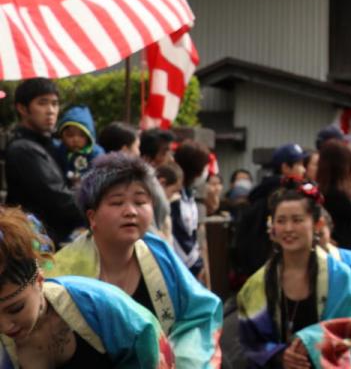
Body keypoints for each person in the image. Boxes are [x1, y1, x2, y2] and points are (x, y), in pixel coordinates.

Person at [48, 153, 223, 368]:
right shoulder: (62, 270)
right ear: (92, 217)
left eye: (140, 201)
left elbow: (200, 315)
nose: (130, 211)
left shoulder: (159, 253)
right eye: (117, 202)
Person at [0, 207, 173, 368]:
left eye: (15, 309)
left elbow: (148, 345)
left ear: (39, 280)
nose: (5, 326)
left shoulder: (100, 303)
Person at [236, 182, 351, 368]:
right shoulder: (258, 283)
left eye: (297, 220)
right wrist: (278, 355)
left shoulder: (339, 276)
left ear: (317, 224)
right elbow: (249, 339)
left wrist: (311, 341)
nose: (288, 228)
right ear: (273, 227)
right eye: (281, 221)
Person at [3, 77, 86, 245]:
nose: (51, 110)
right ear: (22, 108)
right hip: (38, 244)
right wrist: (96, 209)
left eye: (55, 104)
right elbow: (58, 200)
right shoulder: (23, 150)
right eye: (42, 103)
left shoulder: (51, 145)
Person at [233, 143, 308, 282]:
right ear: (285, 167)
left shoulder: (263, 192)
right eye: (299, 164)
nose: (304, 169)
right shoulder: (280, 196)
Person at [171, 140, 210, 279]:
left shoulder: (189, 194)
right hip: (181, 269)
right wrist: (197, 265)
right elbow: (179, 237)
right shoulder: (174, 198)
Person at [56, 104, 105, 187]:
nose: (76, 139)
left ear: (89, 136)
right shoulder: (60, 149)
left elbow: (99, 174)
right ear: (62, 136)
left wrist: (82, 178)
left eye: (82, 135)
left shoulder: (95, 153)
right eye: (70, 135)